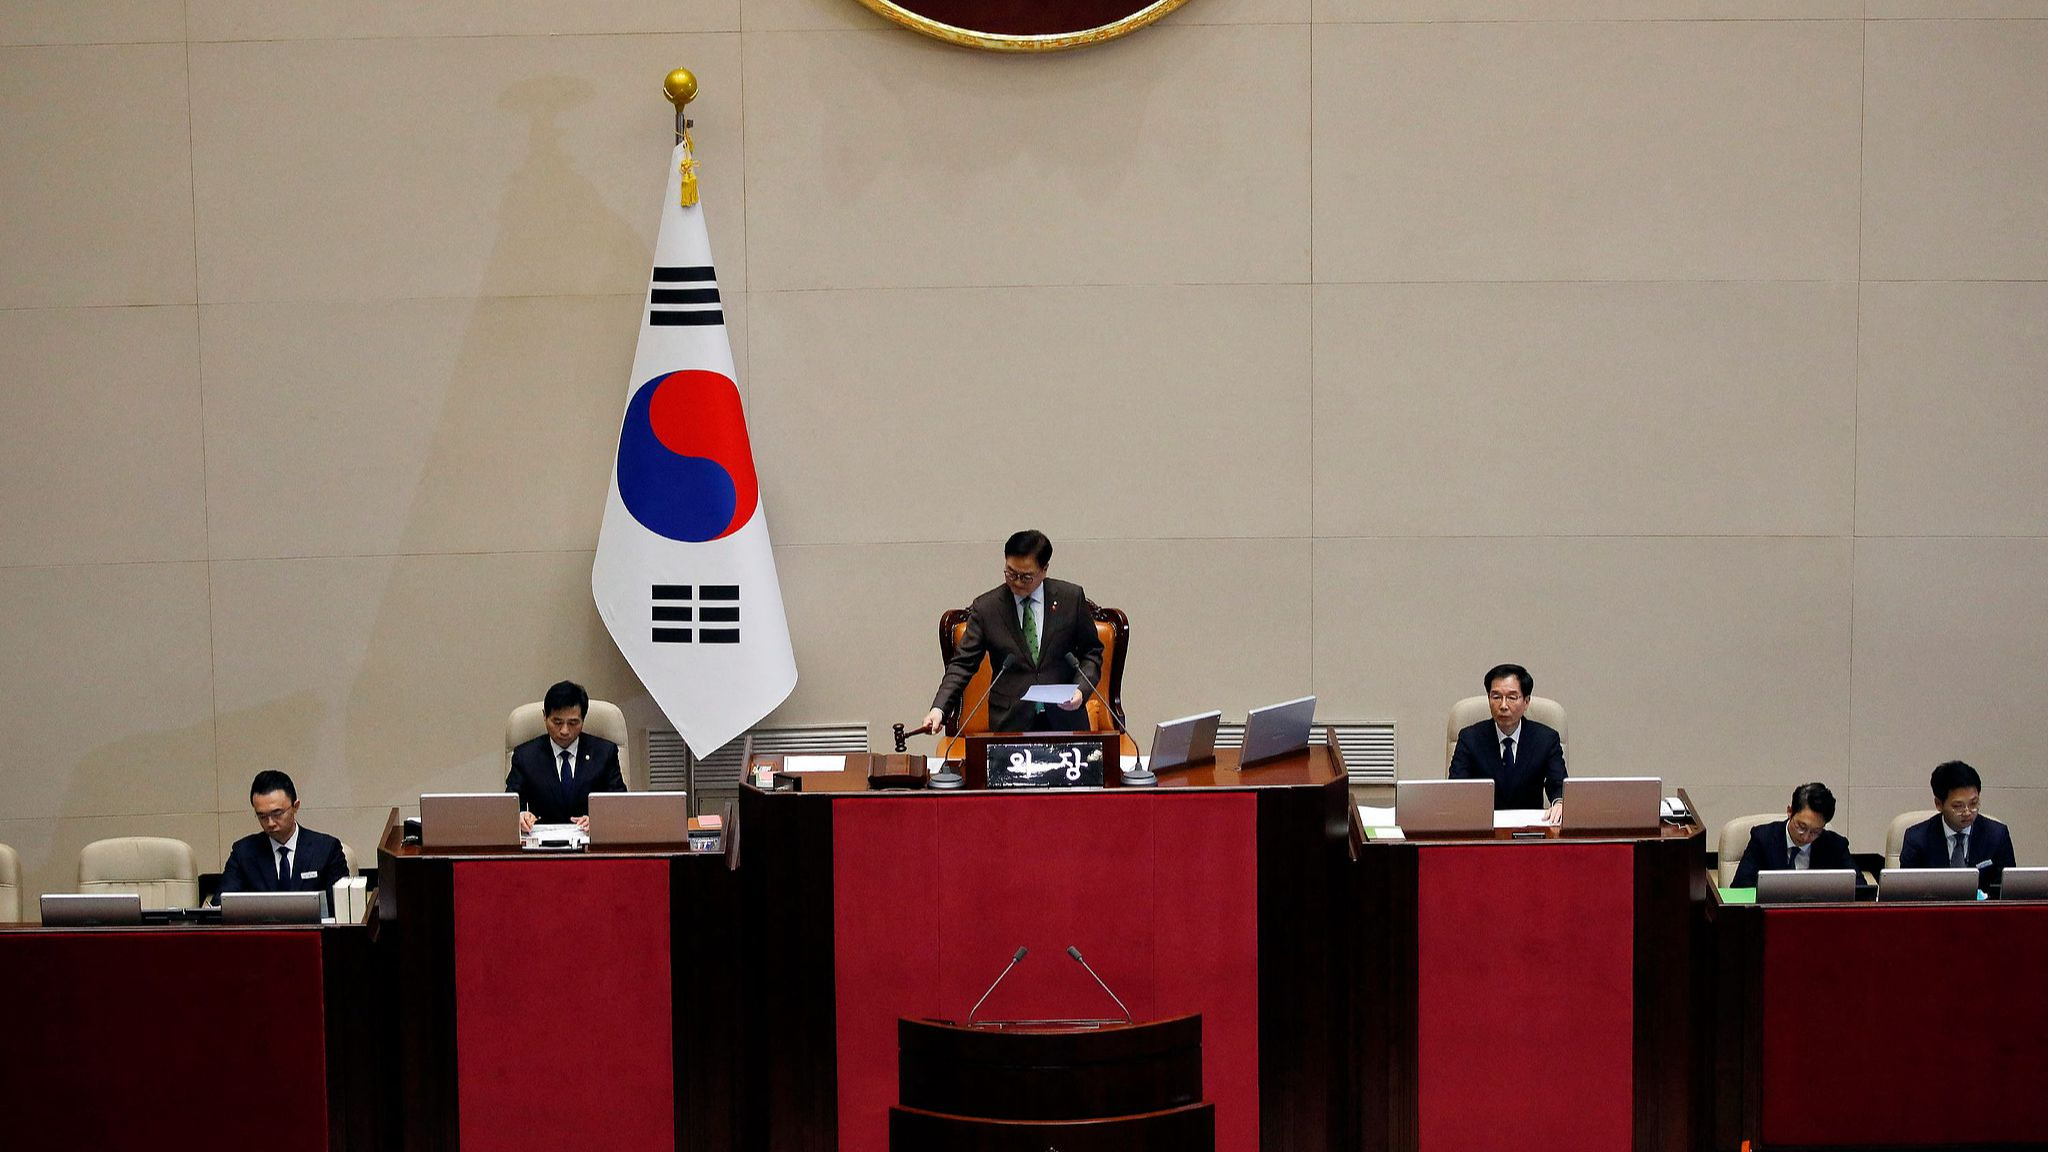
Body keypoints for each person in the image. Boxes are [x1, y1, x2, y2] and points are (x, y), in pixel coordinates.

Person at [919, 530, 1105, 736]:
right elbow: (962, 664)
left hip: (1066, 718)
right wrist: (939, 709)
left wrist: (1080, 689)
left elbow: (1091, 652)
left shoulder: (1071, 598)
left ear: (1044, 570)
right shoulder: (987, 608)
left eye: (1026, 577)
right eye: (1010, 573)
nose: (1016, 582)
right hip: (1011, 723)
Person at [1448, 663, 1566, 822]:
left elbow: (1558, 783)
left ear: (1526, 701)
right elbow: (1456, 788)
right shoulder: (1470, 738)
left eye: (1511, 697)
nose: (1503, 706)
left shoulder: (1546, 739)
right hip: (1483, 827)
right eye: (1496, 697)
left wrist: (1559, 802)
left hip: (1530, 831)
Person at [507, 680, 625, 832]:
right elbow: (511, 803)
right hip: (543, 843)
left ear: (583, 719)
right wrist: (521, 815)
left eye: (573, 723)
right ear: (545, 716)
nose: (564, 730)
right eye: (557, 722)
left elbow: (620, 804)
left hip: (590, 840)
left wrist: (600, 818)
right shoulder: (525, 756)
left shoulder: (604, 752)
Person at [219, 770, 350, 899]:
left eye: (277, 814)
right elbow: (222, 904)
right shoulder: (243, 853)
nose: (270, 823)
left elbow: (340, 907)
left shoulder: (326, 849)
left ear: (295, 806)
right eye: (262, 816)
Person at [1898, 760, 2016, 886]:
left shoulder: (1997, 835)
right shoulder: (1917, 839)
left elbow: (2009, 889)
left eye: (1973, 804)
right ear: (1939, 804)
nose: (1967, 812)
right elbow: (1907, 892)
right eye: (1958, 806)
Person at [1731, 782, 1856, 888]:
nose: (1806, 837)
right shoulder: (1763, 838)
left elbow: (1861, 890)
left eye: (1815, 832)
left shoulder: (1835, 846)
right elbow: (1740, 887)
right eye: (1801, 827)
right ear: (1790, 812)